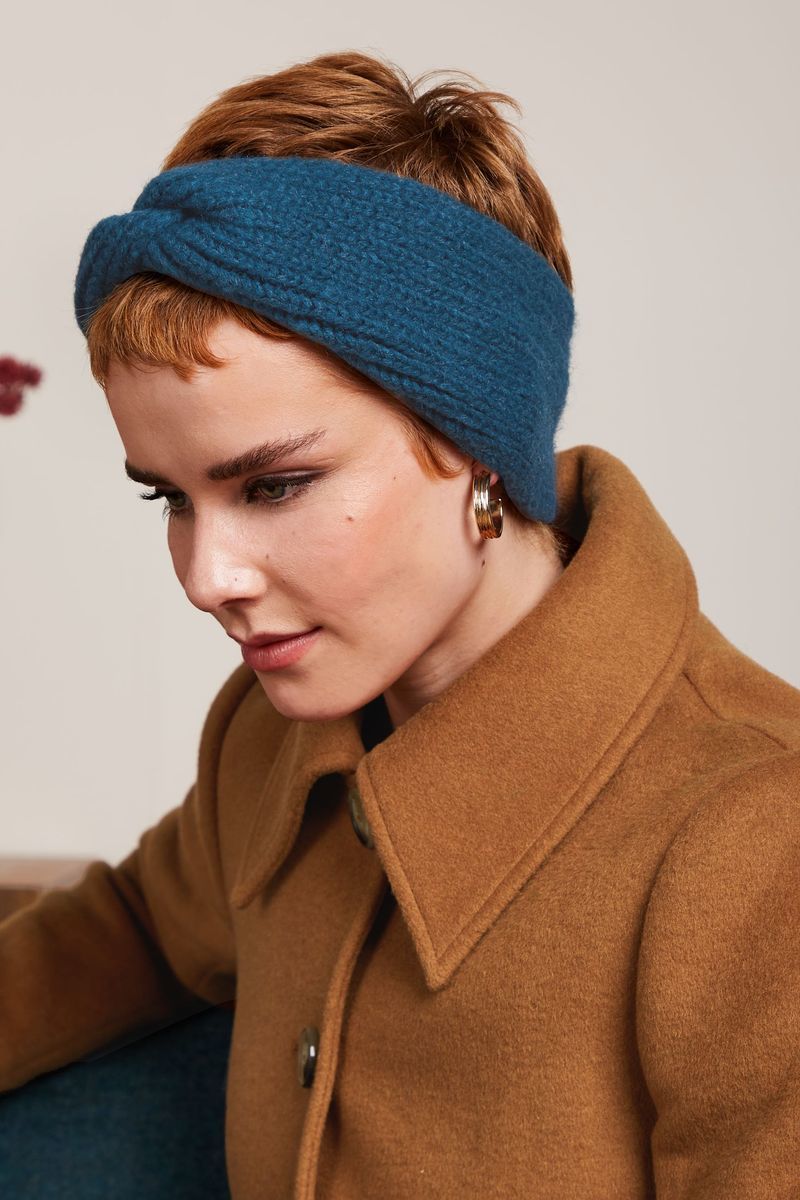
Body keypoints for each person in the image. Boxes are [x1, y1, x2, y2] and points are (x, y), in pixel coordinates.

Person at [2, 47, 799, 1200]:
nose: (205, 577)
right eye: (167, 498)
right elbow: (132, 930)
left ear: (474, 440)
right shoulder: (268, 744)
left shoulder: (756, 845)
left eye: (273, 485)